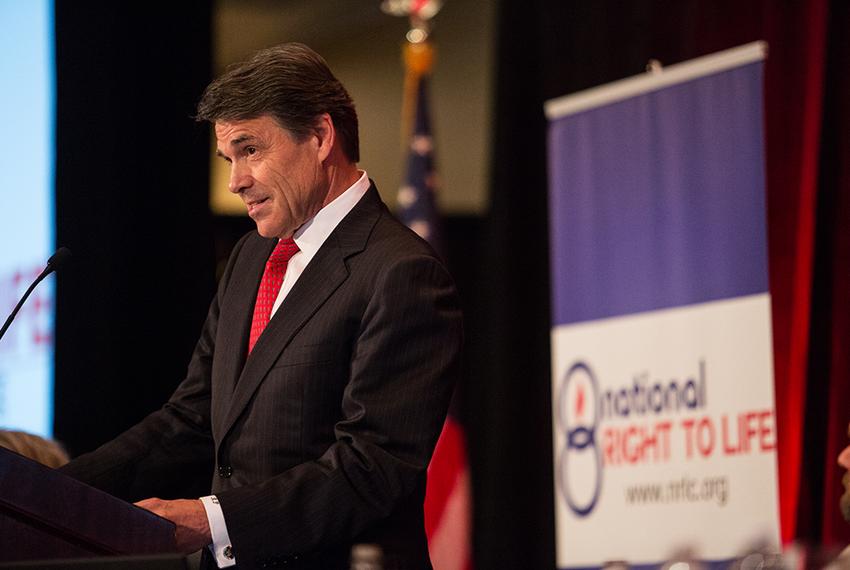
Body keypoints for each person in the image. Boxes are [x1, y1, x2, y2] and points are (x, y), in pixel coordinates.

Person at [59, 43, 462, 570]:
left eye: (251, 150)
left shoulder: (401, 272)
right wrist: (55, 494)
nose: (235, 181)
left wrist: (214, 520)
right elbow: (192, 417)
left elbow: (372, 467)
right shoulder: (253, 255)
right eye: (230, 158)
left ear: (319, 136)